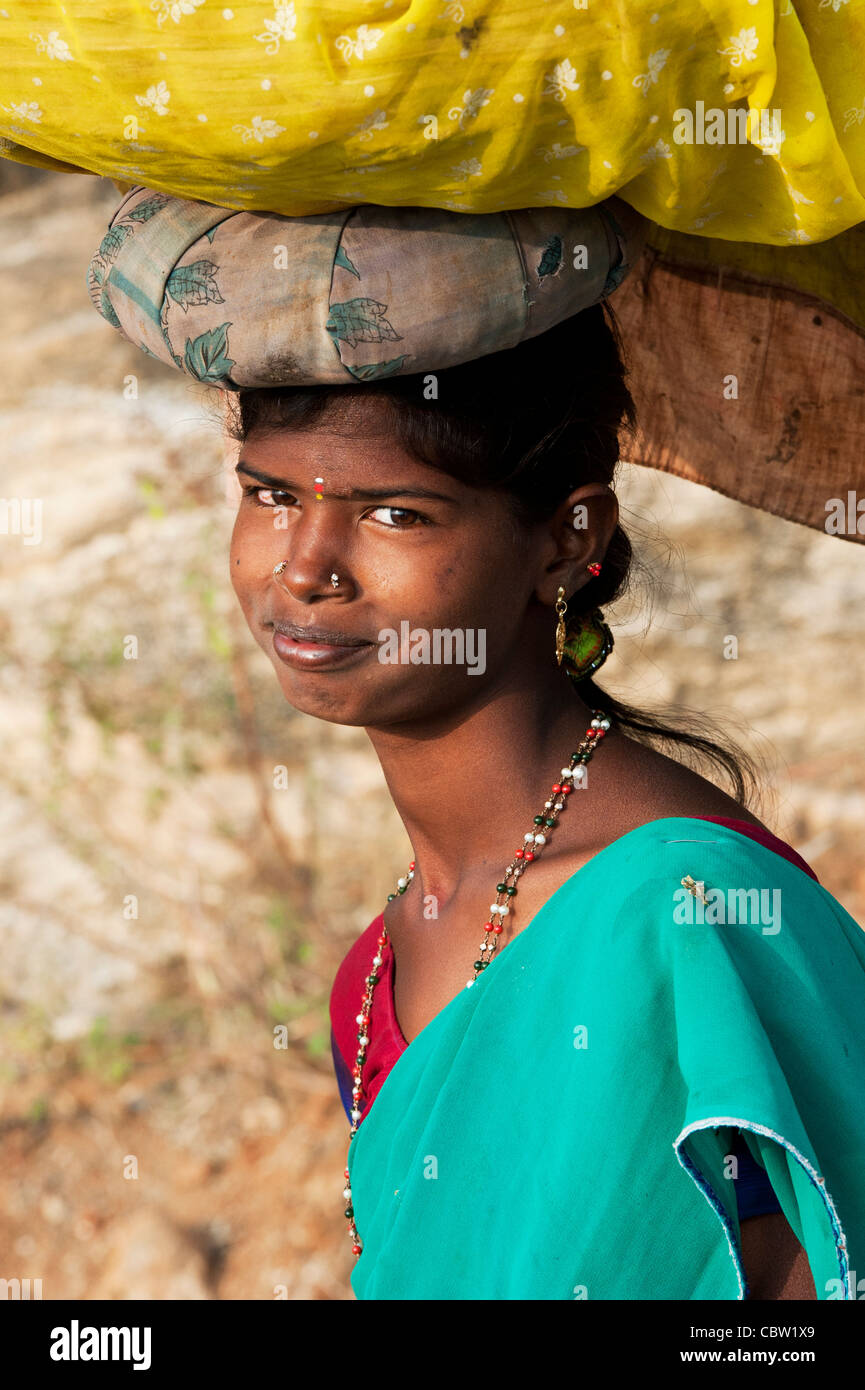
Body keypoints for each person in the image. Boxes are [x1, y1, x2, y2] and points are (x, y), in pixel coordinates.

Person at [224, 302, 865, 1301]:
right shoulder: (377, 971)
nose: (303, 568)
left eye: (395, 512)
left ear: (568, 544)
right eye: (270, 495)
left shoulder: (691, 916)